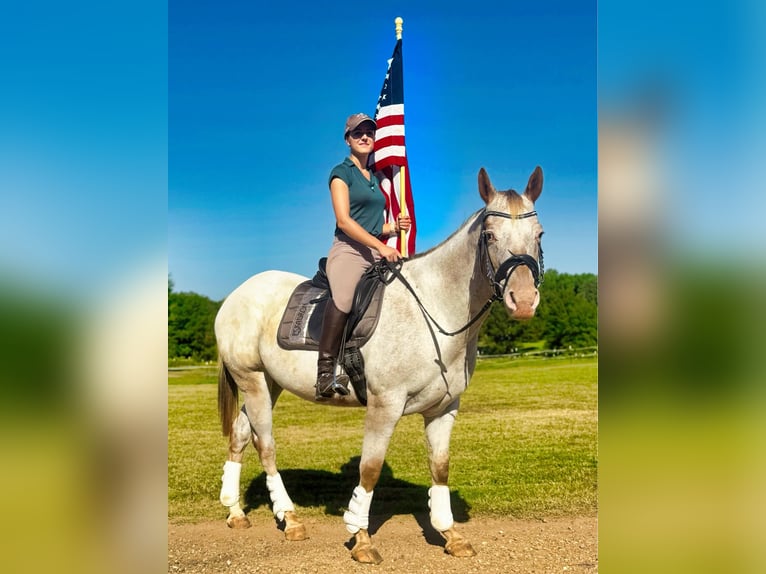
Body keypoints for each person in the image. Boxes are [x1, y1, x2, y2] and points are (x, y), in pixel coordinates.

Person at [315, 112, 411, 400]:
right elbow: (345, 221)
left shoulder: (375, 178)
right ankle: (324, 372)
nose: (365, 137)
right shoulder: (340, 173)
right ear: (348, 139)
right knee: (344, 298)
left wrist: (392, 227)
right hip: (348, 249)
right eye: (358, 133)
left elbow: (370, 223)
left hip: (374, 250)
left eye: (370, 132)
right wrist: (382, 245)